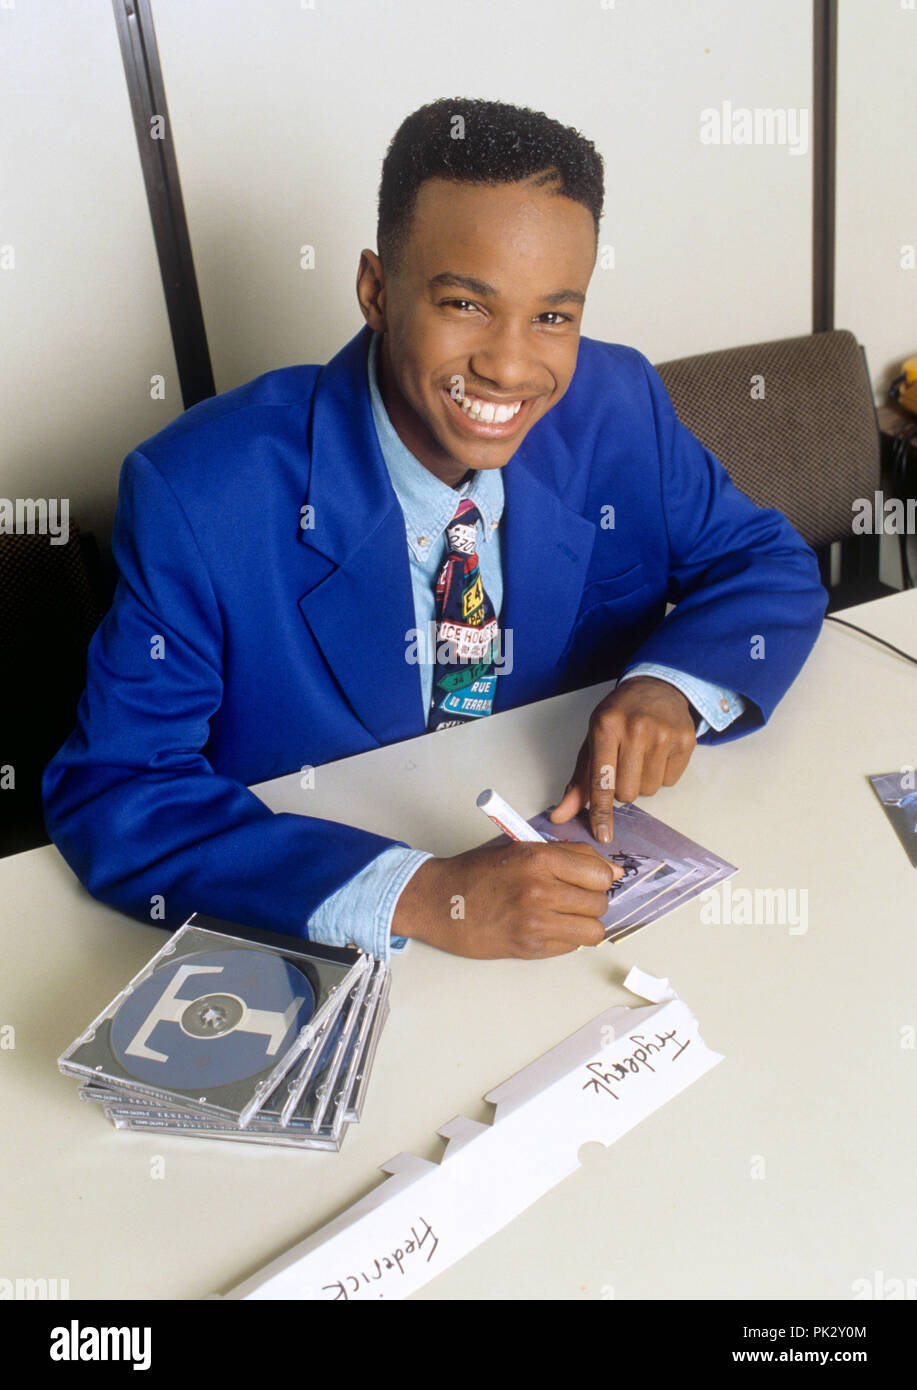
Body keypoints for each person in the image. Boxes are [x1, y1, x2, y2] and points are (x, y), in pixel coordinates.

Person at [42, 98, 827, 962]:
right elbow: (116, 789)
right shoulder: (201, 492)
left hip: (591, 934)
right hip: (360, 938)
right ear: (377, 291)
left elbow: (766, 562)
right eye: (464, 303)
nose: (510, 364)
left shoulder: (617, 404)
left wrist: (669, 685)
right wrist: (426, 895)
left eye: (553, 316)